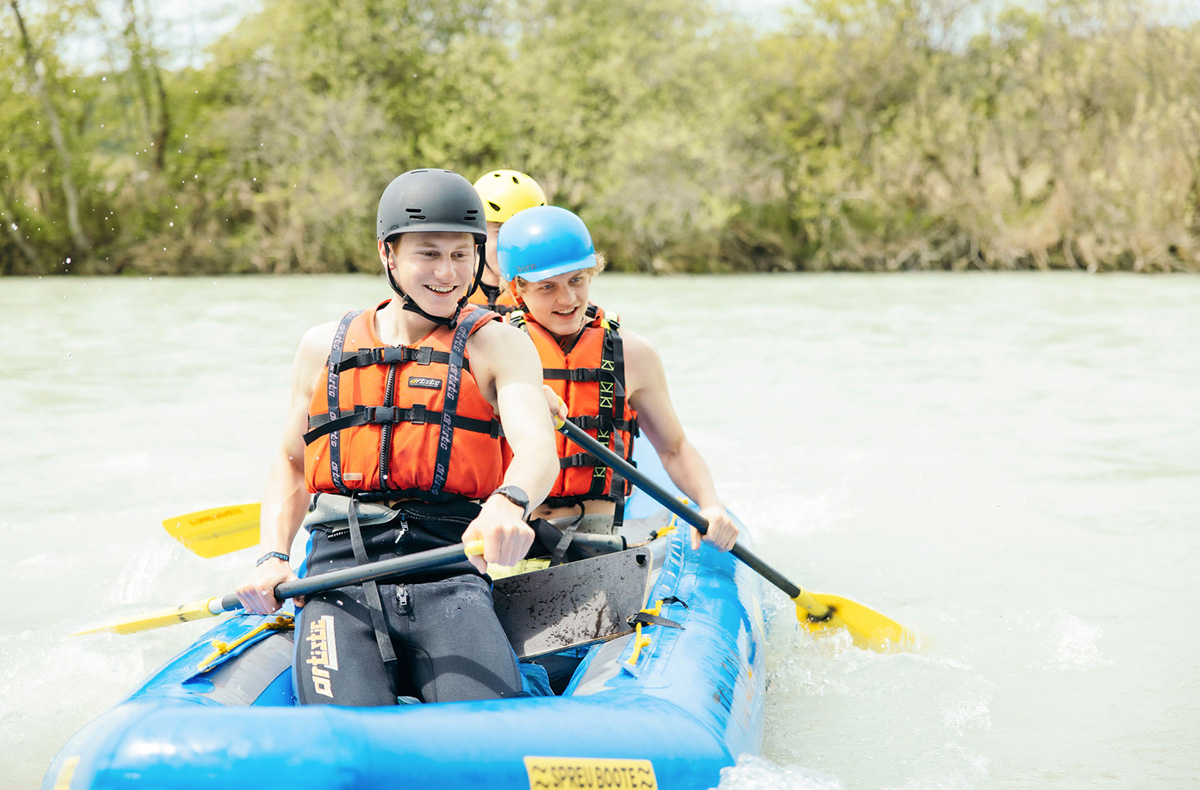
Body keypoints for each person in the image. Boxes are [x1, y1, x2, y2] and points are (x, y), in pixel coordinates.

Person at [236, 168, 559, 707]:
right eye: (428, 254)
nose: (447, 273)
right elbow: (291, 465)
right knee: (342, 739)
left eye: (461, 255)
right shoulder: (322, 346)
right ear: (388, 253)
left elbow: (537, 448)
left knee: (481, 737)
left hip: (448, 572)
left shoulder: (499, 344)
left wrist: (509, 502)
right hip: (336, 581)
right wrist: (272, 555)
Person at [497, 205, 739, 557]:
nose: (567, 299)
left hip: (597, 536)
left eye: (576, 280)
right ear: (518, 288)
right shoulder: (495, 349)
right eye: (548, 287)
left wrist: (711, 503)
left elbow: (674, 448)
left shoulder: (634, 353)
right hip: (512, 533)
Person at [468, 169, 547, 315]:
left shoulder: (549, 294)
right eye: (501, 231)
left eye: (524, 233)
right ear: (476, 235)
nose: (515, 245)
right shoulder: (450, 289)